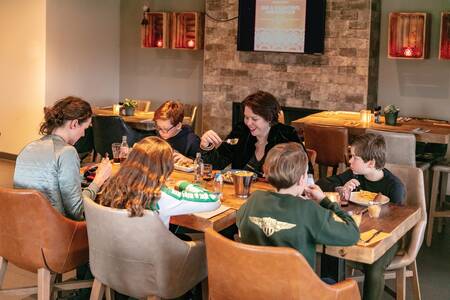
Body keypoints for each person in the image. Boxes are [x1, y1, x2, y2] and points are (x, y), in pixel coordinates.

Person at [236, 142, 359, 270]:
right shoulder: (309, 210)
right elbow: (352, 234)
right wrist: (325, 200)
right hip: (298, 287)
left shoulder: (254, 200)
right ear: (301, 179)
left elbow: (240, 222)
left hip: (255, 283)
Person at [316, 133, 406, 300]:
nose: (349, 161)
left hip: (388, 238)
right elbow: (321, 184)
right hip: (356, 229)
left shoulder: (394, 186)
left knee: (374, 265)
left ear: (370, 163)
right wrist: (340, 188)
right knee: (330, 251)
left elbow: (396, 222)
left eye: (354, 157)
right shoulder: (354, 175)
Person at [14, 96, 112, 221]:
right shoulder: (67, 152)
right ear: (74, 123)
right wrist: (99, 180)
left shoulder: (27, 149)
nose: (83, 134)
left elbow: (49, 180)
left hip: (24, 228)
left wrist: (80, 175)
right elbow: (78, 211)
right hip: (56, 231)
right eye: (85, 129)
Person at [98, 136, 220, 228]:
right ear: (165, 167)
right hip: (154, 257)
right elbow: (214, 200)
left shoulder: (112, 184)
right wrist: (185, 184)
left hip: (116, 253)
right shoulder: (161, 196)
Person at [200, 90, 313, 177]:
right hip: (240, 195)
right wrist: (206, 147)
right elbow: (215, 165)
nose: (248, 123)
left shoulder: (286, 135)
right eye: (246, 117)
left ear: (269, 118)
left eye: (254, 119)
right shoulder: (241, 131)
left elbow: (306, 172)